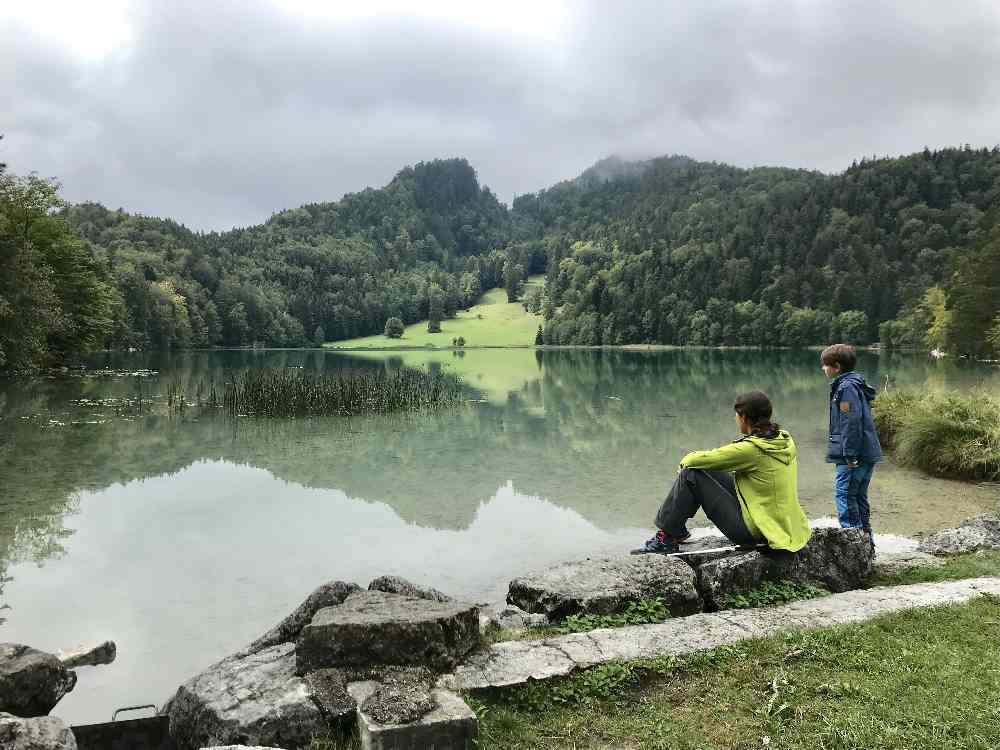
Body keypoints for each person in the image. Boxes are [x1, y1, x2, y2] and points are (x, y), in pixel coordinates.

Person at [635, 391, 811, 555]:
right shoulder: (782, 439)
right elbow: (716, 460)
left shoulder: (751, 450)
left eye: (737, 415)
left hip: (756, 531)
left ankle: (667, 538)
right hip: (779, 523)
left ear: (744, 417)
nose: (735, 418)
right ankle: (675, 531)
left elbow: (694, 460)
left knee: (691, 474)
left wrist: (684, 465)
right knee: (707, 468)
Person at [820, 343, 881, 543]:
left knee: (845, 496)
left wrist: (849, 454)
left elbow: (850, 422)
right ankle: (867, 545)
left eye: (825, 365)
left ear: (836, 367)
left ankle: (854, 546)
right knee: (859, 498)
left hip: (854, 456)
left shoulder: (846, 389)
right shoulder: (855, 384)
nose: (823, 369)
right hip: (865, 452)